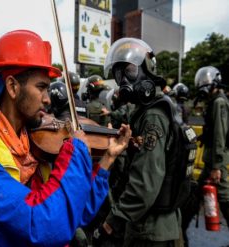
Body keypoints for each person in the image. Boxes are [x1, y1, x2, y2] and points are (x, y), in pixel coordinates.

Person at [0, 29, 131, 247]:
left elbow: (74, 212)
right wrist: (75, 150)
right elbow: (44, 225)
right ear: (13, 87)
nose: (47, 100)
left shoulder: (32, 145)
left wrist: (107, 159)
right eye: (41, 87)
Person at [95, 37, 188, 246]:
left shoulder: (153, 116)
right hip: (151, 227)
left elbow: (145, 185)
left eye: (129, 71)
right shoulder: (147, 110)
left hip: (151, 232)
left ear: (146, 70)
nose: (124, 81)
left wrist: (112, 222)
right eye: (119, 74)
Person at [194, 66, 229, 229]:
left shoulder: (219, 102)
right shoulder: (215, 101)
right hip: (212, 162)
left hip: (216, 163)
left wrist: (217, 167)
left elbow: (220, 135)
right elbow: (213, 131)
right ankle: (180, 236)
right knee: (194, 196)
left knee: (224, 199)